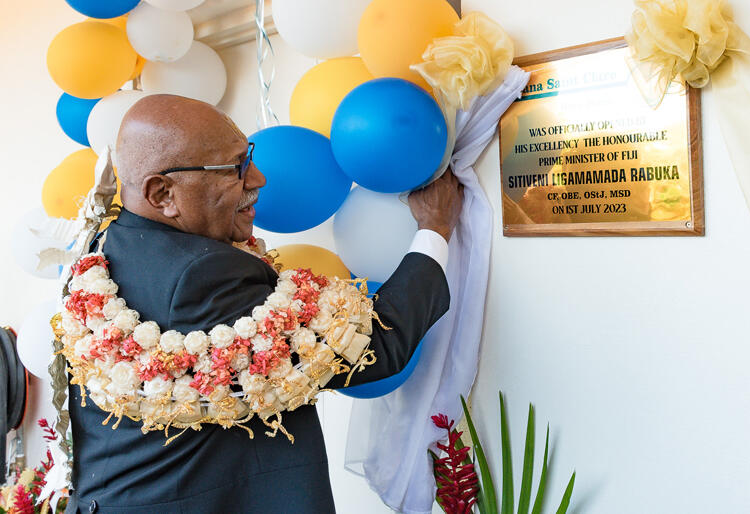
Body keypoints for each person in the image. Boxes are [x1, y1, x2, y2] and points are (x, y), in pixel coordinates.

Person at [65, 94, 463, 514]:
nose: (257, 178)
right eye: (235, 169)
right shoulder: (204, 274)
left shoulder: (106, 243)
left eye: (248, 156)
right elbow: (379, 345)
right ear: (163, 193)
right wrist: (435, 228)